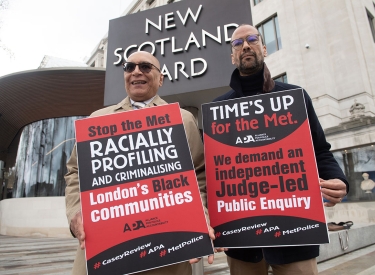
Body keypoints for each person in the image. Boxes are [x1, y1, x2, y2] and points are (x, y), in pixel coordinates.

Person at [213, 24, 349, 275]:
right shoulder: (217, 110)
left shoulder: (295, 97)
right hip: (242, 243)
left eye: (252, 39)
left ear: (263, 48)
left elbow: (320, 150)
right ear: (232, 56)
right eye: (237, 43)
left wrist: (338, 180)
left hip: (295, 237)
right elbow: (214, 172)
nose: (245, 45)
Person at [65, 51, 214, 275]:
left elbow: (199, 173)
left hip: (167, 252)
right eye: (129, 67)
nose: (136, 71)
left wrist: (199, 211)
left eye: (145, 67)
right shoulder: (97, 120)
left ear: (161, 78)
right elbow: (75, 172)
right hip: (105, 251)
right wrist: (76, 212)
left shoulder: (183, 119)